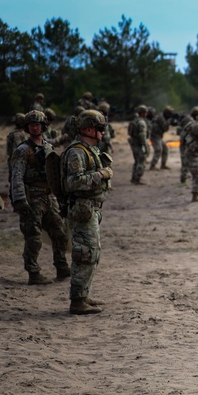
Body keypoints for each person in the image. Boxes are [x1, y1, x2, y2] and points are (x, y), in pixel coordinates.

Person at [9, 110, 71, 285]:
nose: (35, 127)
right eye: (31, 125)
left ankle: (61, 266)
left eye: (38, 124)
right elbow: (17, 176)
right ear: (27, 127)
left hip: (49, 197)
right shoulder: (22, 150)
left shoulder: (48, 147)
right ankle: (34, 273)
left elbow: (54, 173)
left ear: (44, 126)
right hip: (32, 198)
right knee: (33, 237)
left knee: (59, 233)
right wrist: (20, 200)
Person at [61, 108, 113, 315]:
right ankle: (77, 301)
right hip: (82, 209)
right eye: (100, 128)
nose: (102, 132)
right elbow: (73, 182)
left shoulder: (89, 150)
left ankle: (83, 294)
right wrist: (101, 175)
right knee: (84, 254)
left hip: (91, 208)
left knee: (92, 253)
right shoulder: (77, 152)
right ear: (89, 129)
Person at [179, 106, 198, 184]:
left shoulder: (190, 120)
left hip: (187, 141)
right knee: (185, 160)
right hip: (185, 142)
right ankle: (183, 178)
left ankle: (184, 176)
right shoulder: (189, 120)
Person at [128, 104, 149, 185]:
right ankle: (137, 179)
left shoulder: (134, 121)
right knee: (141, 162)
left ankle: (134, 178)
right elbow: (142, 135)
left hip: (134, 144)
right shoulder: (141, 123)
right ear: (143, 113)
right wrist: (145, 146)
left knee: (136, 161)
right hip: (139, 144)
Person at [148, 106, 173, 170]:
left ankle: (163, 165)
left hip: (158, 137)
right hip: (155, 137)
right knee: (158, 150)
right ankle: (152, 165)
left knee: (165, 149)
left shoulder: (161, 117)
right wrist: (169, 121)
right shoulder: (161, 118)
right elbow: (165, 128)